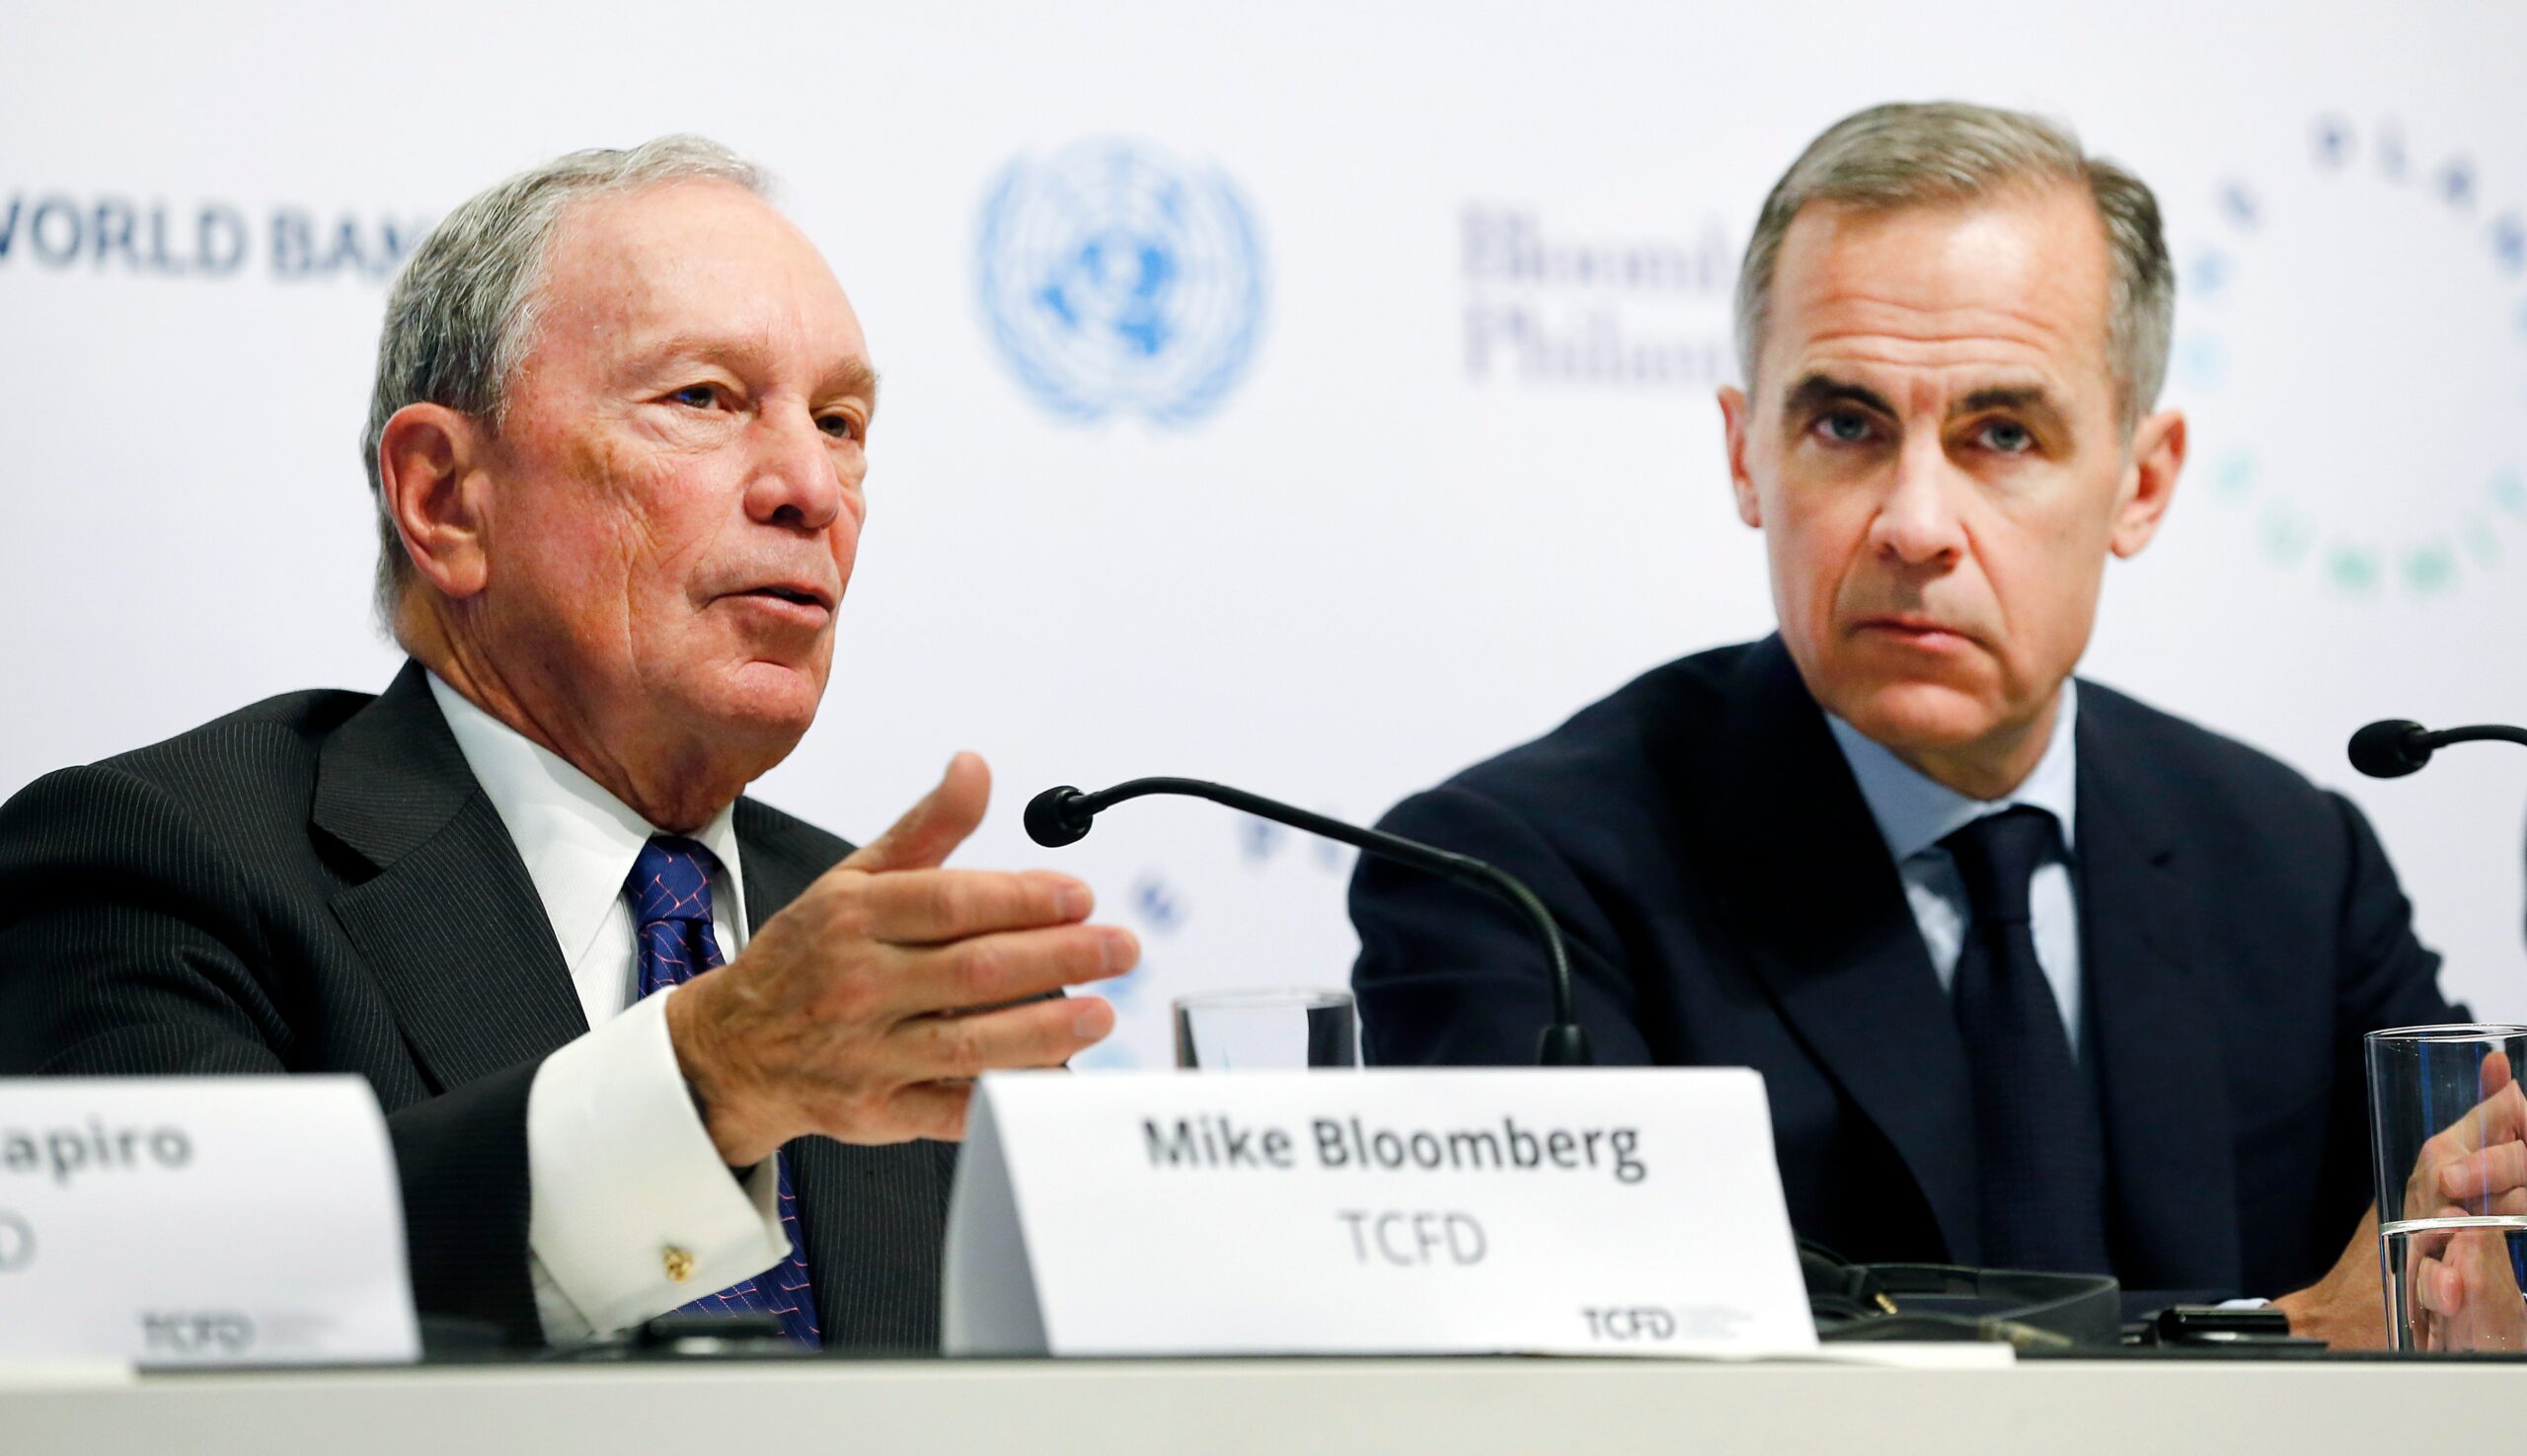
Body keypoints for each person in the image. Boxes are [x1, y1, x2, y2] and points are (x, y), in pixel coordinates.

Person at [1347, 102, 2486, 1345]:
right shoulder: (1513, 881)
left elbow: (2450, 1278)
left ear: (2140, 482)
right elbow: (1596, 1364)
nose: (1914, 523)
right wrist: (2282, 1338)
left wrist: (2477, 1269)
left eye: (2002, 434)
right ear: (1746, 458)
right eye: (1846, 425)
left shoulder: (2293, 862)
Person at [0, 137, 1136, 1350]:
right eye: (702, 397)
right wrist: (704, 1081)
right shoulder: (165, 866)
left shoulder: (880, 969)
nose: (814, 483)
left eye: (843, 420)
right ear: (443, 498)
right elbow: (190, 1299)